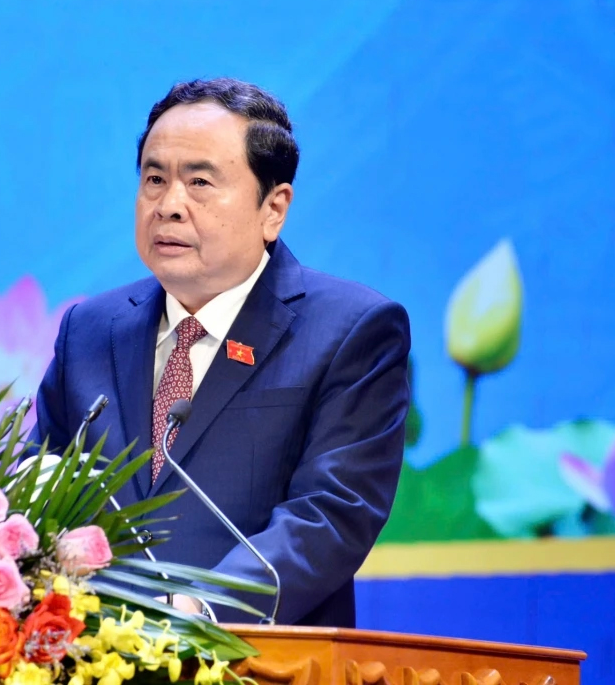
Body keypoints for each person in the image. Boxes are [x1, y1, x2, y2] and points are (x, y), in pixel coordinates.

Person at [32, 78, 410, 627]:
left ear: (273, 209)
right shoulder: (89, 330)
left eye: (200, 182)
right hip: (91, 653)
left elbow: (330, 515)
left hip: (254, 655)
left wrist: (198, 611)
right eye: (154, 180)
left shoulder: (350, 330)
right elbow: (41, 483)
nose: (169, 206)